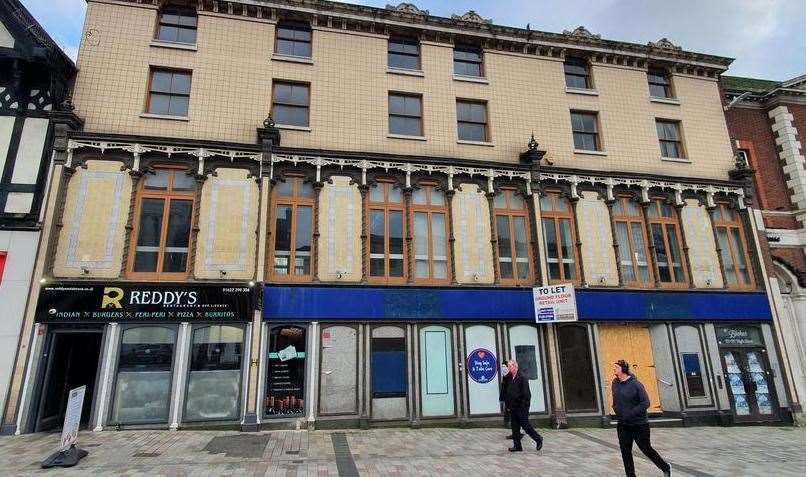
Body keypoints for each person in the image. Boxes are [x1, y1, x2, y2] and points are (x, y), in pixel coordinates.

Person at [612, 359, 672, 477]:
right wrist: (615, 408)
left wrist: (630, 414)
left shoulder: (636, 384)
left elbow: (645, 403)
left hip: (639, 425)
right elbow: (615, 399)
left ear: (623, 369)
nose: (614, 369)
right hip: (623, 425)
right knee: (625, 451)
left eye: (616, 367)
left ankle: (665, 467)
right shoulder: (615, 383)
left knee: (646, 449)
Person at [502, 359, 543, 452]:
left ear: (515, 366)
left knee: (525, 425)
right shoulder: (509, 378)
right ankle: (517, 446)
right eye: (508, 366)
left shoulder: (522, 378)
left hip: (521, 407)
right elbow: (508, 393)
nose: (508, 368)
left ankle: (538, 438)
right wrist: (508, 405)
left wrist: (523, 406)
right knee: (514, 426)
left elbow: (527, 395)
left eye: (510, 366)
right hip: (512, 407)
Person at [499, 359, 523, 440]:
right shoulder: (505, 375)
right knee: (511, 417)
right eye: (502, 367)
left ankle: (518, 433)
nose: (503, 368)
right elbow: (504, 388)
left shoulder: (511, 376)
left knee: (514, 417)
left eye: (505, 366)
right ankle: (515, 433)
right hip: (507, 399)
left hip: (513, 401)